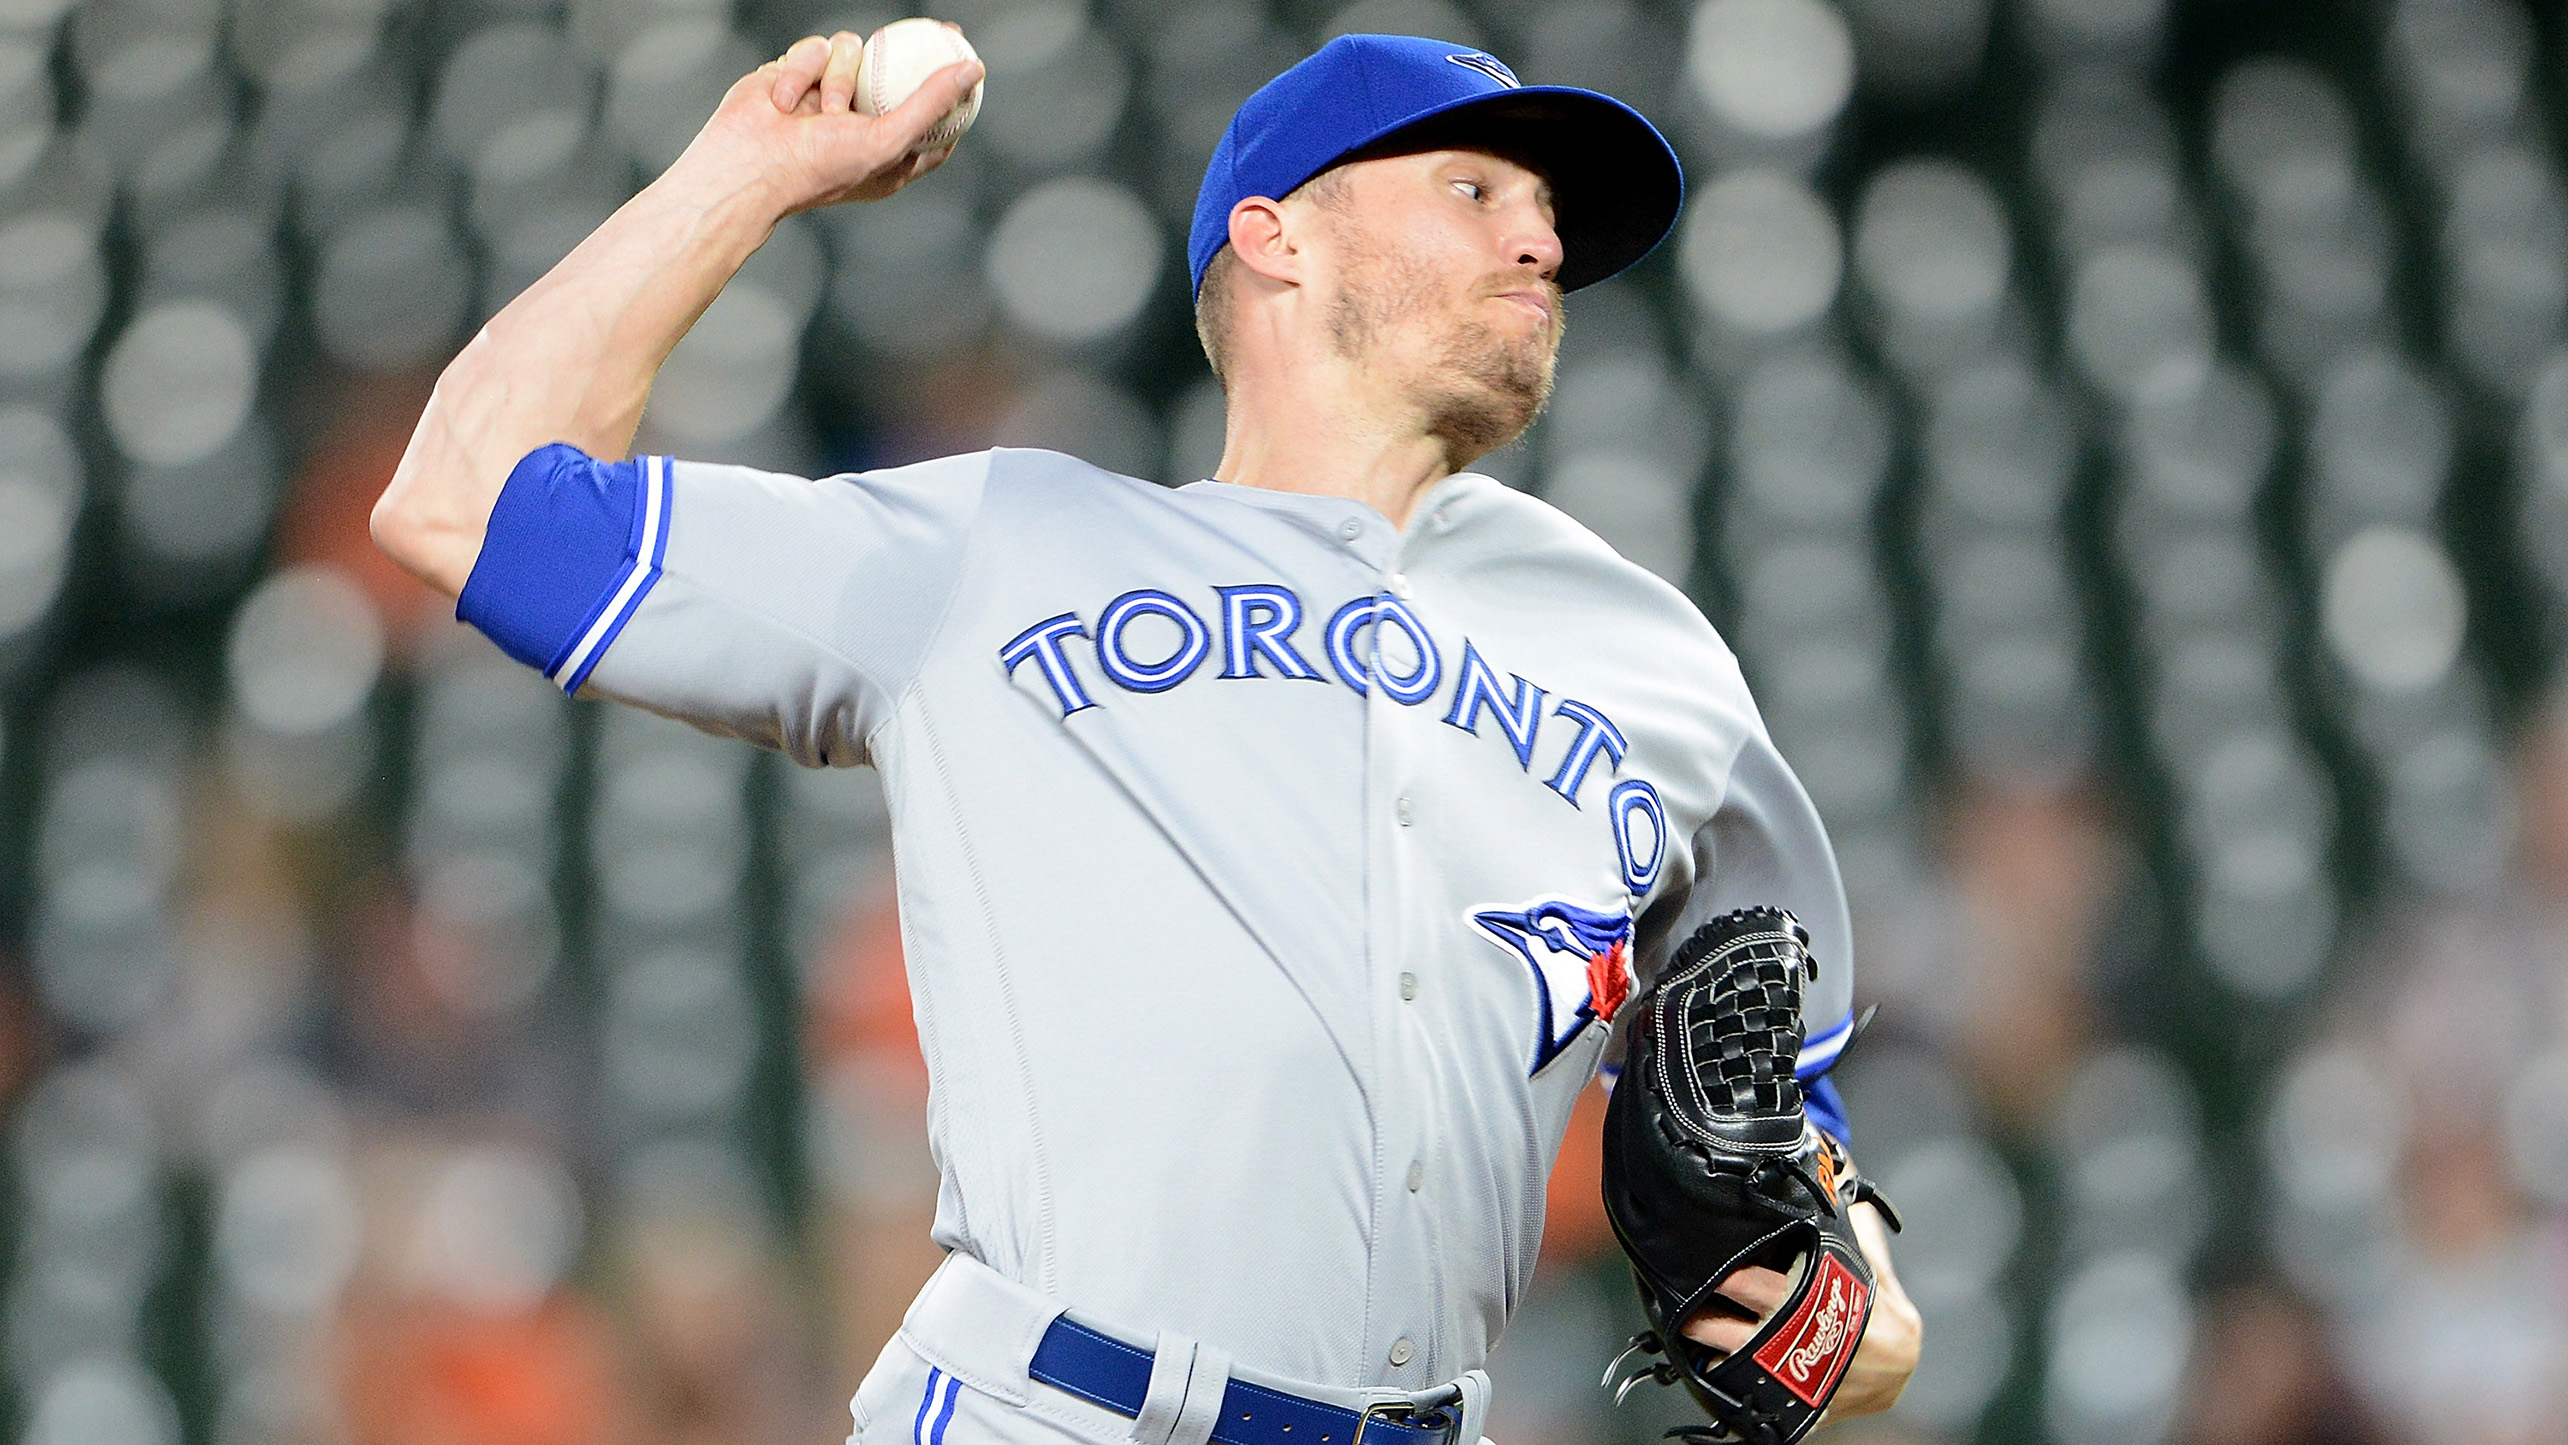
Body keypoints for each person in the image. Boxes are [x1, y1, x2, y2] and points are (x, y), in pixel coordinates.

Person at [371, 26, 1920, 1445]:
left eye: (1547, 213)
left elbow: (1775, 1076)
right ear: (1277, 235)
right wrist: (746, 174)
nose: (1542, 241)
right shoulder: (1004, 545)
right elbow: (462, 501)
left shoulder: (1653, 659)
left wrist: (1858, 1296)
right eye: (1474, 189)